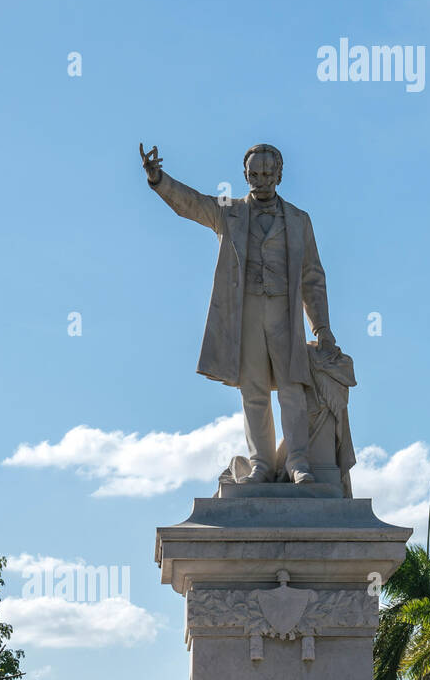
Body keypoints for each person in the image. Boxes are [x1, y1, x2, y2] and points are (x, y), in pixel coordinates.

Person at [141, 141, 341, 486]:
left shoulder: (298, 220)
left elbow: (312, 277)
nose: (261, 180)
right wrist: (160, 180)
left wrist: (321, 326)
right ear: (245, 175)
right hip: (245, 309)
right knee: (254, 389)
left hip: (284, 311)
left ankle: (298, 463)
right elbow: (193, 203)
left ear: (279, 175)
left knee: (293, 387)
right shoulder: (228, 211)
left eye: (267, 173)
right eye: (254, 174)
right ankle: (261, 462)